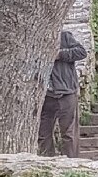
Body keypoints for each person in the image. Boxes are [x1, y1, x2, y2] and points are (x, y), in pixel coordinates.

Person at [37, 30, 87, 158]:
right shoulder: (33, 38)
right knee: (43, 134)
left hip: (67, 92)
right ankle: (47, 163)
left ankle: (72, 164)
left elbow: (81, 52)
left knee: (69, 132)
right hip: (45, 95)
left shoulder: (64, 36)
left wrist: (59, 54)